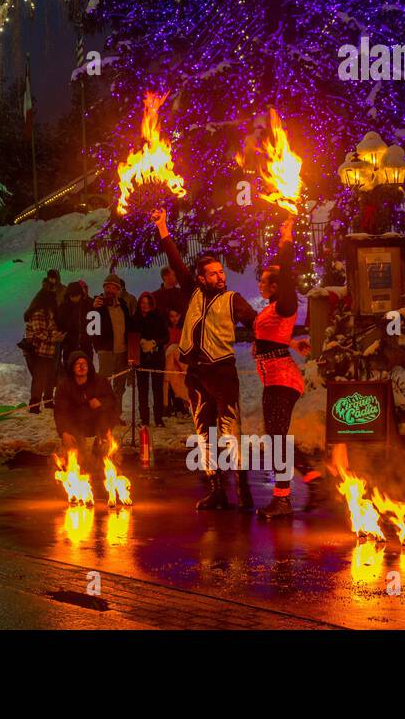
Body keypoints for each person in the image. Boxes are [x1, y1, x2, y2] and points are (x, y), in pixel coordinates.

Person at [153, 207, 257, 511]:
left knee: (229, 429)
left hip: (222, 372)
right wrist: (163, 226)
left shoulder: (232, 299)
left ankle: (242, 486)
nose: (220, 276)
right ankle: (216, 488)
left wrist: (279, 339)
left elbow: (255, 322)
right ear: (201, 277)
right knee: (204, 431)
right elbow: (175, 260)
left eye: (221, 272)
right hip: (196, 373)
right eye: (213, 273)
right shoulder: (193, 291)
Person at [252, 217, 321, 519]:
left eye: (265, 281)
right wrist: (291, 342)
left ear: (277, 286)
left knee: (277, 437)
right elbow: (274, 335)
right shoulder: (270, 309)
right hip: (273, 377)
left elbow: (289, 278)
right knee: (277, 434)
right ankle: (312, 478)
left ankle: (282, 498)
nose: (260, 284)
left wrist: (286, 238)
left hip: (282, 378)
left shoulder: (285, 304)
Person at [54, 351, 118, 455]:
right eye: (77, 364)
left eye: (84, 364)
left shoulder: (100, 381)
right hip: (76, 424)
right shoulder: (64, 386)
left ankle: (101, 444)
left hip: (97, 422)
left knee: (107, 414)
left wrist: (101, 402)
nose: (81, 367)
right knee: (77, 456)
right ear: (72, 367)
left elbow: (113, 400)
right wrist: (64, 433)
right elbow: (60, 412)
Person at [90, 274, 132, 409]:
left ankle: (115, 413)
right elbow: (90, 329)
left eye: (113, 287)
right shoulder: (97, 304)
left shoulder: (123, 306)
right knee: (103, 384)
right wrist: (92, 309)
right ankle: (102, 414)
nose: (110, 290)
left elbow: (130, 325)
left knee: (120, 386)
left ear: (118, 290)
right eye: (107, 286)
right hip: (106, 351)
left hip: (122, 351)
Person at [22, 285, 64, 413]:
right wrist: (55, 336)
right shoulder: (39, 313)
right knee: (39, 378)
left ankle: (48, 401)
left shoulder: (48, 313)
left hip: (48, 351)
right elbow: (40, 333)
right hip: (38, 351)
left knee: (49, 377)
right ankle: (34, 405)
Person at [133, 292, 168, 427]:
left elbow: (166, 336)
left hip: (157, 358)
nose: (145, 306)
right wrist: (141, 342)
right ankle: (144, 419)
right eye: (142, 303)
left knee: (157, 389)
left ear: (151, 304)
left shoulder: (159, 318)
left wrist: (154, 343)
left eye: (147, 303)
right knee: (142, 390)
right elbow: (130, 335)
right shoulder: (134, 318)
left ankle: (158, 418)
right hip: (141, 359)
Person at [56, 279, 94, 370]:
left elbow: (92, 325)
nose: (74, 298)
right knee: (70, 373)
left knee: (86, 372)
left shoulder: (87, 305)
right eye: (72, 296)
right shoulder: (64, 308)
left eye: (77, 295)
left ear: (81, 295)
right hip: (70, 347)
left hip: (85, 347)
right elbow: (61, 327)